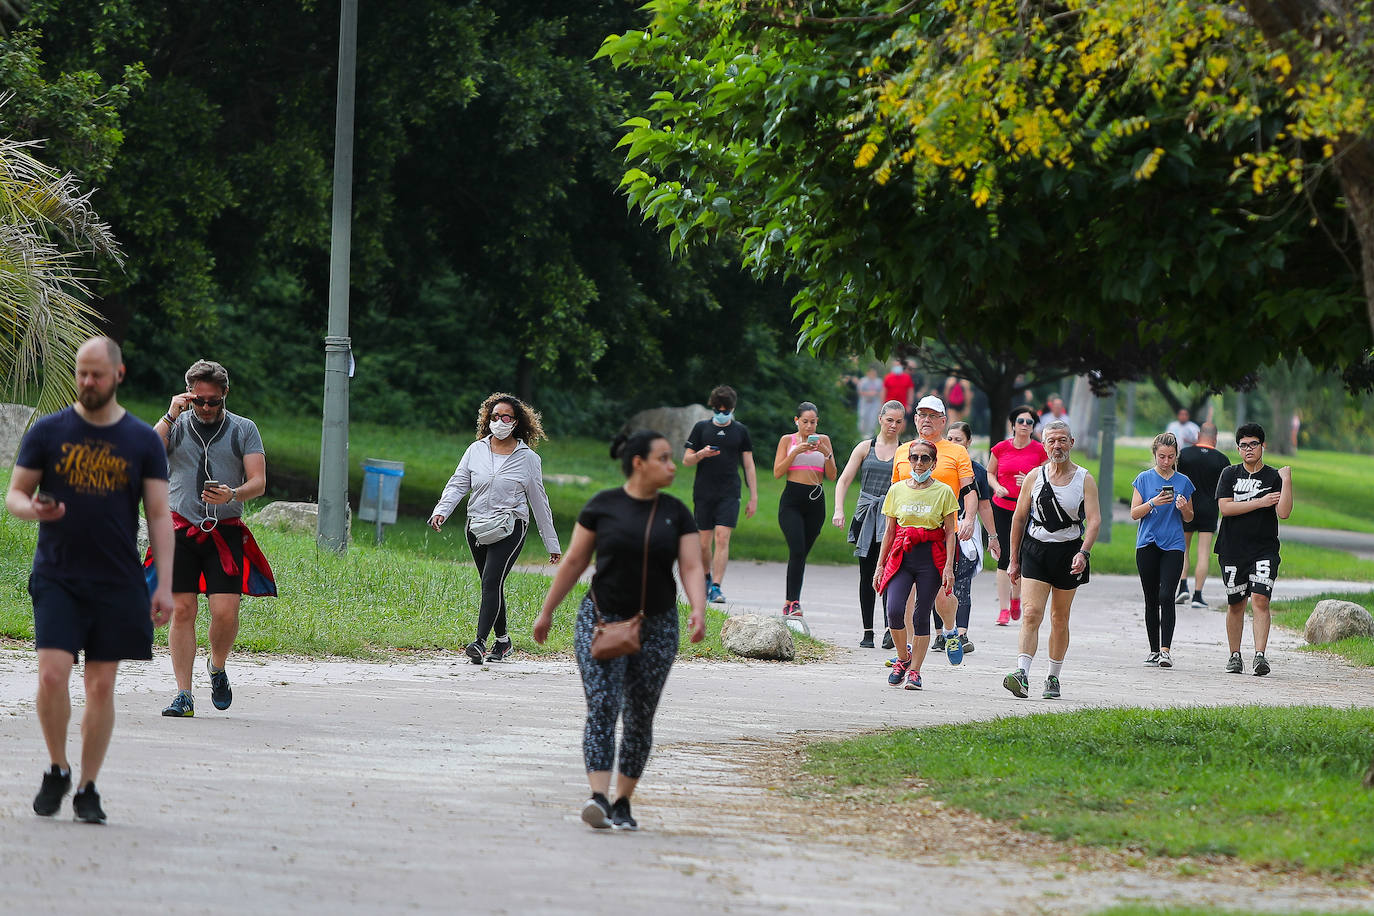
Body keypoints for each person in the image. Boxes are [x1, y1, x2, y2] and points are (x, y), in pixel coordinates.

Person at [7, 336, 175, 823]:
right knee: (52, 674)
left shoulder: (142, 440)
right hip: (58, 574)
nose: (87, 382)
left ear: (118, 375)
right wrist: (31, 508)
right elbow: (15, 494)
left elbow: (160, 515)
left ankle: (87, 787)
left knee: (101, 686)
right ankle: (57, 767)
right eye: (82, 372)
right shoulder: (48, 432)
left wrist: (163, 584)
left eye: (97, 374)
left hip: (117, 580)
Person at [533, 430, 706, 831]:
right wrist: (547, 612)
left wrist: (698, 608)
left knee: (640, 715)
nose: (672, 464)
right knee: (604, 706)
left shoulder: (677, 512)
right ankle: (598, 797)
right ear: (638, 463)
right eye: (664, 458)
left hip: (657, 626)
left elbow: (692, 566)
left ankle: (623, 801)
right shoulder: (602, 507)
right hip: (600, 621)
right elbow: (575, 561)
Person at [153, 359, 273, 718]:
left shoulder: (243, 429)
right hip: (179, 529)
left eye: (213, 401)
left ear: (225, 396)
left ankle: (217, 666)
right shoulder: (175, 424)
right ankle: (183, 694)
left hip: (225, 531)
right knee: (183, 610)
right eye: (199, 400)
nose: (206, 407)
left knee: (224, 612)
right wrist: (171, 414)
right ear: (188, 394)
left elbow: (259, 482)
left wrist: (233, 494)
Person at [430, 394, 562, 664]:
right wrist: (441, 510)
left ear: (516, 422)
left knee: (491, 581)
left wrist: (552, 543)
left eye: (506, 417)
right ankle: (502, 641)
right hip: (477, 524)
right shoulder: (475, 450)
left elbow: (539, 501)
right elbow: (458, 484)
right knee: (491, 584)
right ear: (487, 419)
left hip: (510, 525)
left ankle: (479, 642)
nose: (500, 422)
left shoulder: (528, 459)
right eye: (495, 416)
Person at [1002, 421, 1101, 700]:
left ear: (1071, 442)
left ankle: (1053, 676)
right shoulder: (1034, 477)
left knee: (1059, 618)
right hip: (1035, 550)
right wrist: (1014, 559)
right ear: (1044, 445)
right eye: (1051, 441)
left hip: (1069, 552)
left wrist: (1084, 552)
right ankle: (1021, 674)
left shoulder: (1085, 479)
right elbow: (1019, 518)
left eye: (1061, 440)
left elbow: (1093, 521)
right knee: (1032, 612)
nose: (1056, 446)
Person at [890, 395, 977, 664]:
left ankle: (950, 630)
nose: (926, 420)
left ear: (943, 420)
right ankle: (905, 655)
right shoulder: (903, 451)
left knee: (942, 594)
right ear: (915, 419)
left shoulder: (956, 452)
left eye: (932, 416)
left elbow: (969, 490)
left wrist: (970, 518)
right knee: (904, 598)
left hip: (941, 532)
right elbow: (895, 490)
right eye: (921, 415)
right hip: (907, 534)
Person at [875, 438, 959, 690]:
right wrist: (880, 565)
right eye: (915, 457)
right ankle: (903, 658)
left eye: (925, 458)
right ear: (908, 460)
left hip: (930, 556)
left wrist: (948, 568)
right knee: (894, 610)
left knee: (922, 614)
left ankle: (915, 672)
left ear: (933, 463)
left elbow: (949, 532)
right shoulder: (897, 490)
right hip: (902, 554)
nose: (919, 463)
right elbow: (889, 531)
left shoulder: (944, 491)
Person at [1216, 423, 1293, 677]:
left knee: (1261, 599)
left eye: (1253, 444)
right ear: (1238, 449)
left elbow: (1283, 512)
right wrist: (1260, 502)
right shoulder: (1229, 474)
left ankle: (1260, 656)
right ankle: (1234, 655)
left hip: (1264, 549)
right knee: (1236, 602)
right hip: (1232, 549)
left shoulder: (1273, 477)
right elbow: (1226, 508)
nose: (1248, 449)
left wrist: (1287, 480)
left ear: (1263, 446)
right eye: (1243, 445)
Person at [832, 400, 906, 648]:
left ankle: (889, 629)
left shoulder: (906, 451)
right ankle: (867, 631)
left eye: (898, 421)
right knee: (867, 574)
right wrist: (838, 510)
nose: (893, 425)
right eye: (889, 420)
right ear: (880, 419)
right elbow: (843, 481)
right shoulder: (865, 447)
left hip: (892, 517)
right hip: (866, 516)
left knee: (890, 572)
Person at [682, 385, 758, 604]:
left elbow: (749, 465)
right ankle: (705, 579)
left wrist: (753, 496)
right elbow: (686, 460)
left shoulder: (740, 431)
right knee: (703, 543)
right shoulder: (701, 428)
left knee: (722, 537)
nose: (722, 414)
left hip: (730, 492)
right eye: (718, 410)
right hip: (704, 492)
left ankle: (716, 586)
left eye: (726, 411)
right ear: (712, 408)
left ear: (733, 409)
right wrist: (701, 454)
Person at [1129, 433, 1195, 668]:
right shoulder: (1144, 479)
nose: (1166, 461)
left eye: (1170, 457)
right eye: (1161, 457)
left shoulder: (1184, 482)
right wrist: (1153, 502)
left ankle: (1166, 650)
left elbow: (1189, 518)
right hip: (1147, 543)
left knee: (1167, 595)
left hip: (1174, 545)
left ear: (1176, 455)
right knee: (1151, 598)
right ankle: (1153, 649)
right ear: (1154, 454)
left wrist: (1184, 507)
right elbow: (1134, 513)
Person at [772, 401, 837, 617]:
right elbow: (777, 472)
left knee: (800, 554)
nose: (809, 427)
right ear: (796, 421)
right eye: (805, 422)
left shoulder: (824, 440)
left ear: (817, 422)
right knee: (797, 550)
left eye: (813, 422)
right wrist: (795, 452)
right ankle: (792, 602)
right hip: (792, 501)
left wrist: (826, 453)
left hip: (816, 502)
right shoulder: (786, 440)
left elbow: (832, 475)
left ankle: (792, 600)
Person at [986, 405, 1047, 626]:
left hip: (1027, 510)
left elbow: (1047, 478)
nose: (1024, 425)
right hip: (1002, 507)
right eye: (1020, 421)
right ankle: (1003, 609)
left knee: (1020, 557)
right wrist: (997, 486)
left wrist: (1030, 483)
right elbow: (990, 473)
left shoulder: (1039, 450)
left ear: (1033, 427)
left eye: (1029, 422)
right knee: (1003, 558)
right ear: (1013, 425)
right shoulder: (1001, 448)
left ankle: (1016, 598)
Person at [944, 421, 1001, 655]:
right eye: (950, 439)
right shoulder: (937, 463)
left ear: (968, 442)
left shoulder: (977, 471)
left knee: (962, 583)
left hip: (966, 531)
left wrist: (993, 537)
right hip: (940, 528)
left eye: (958, 440)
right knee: (940, 584)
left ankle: (961, 634)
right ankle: (941, 634)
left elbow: (985, 507)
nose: (953, 443)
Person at [1175, 422, 1231, 608]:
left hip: (1186, 506)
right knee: (1203, 553)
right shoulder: (1222, 460)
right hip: (1209, 509)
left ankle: (1182, 586)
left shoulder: (1185, 455)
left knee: (1183, 549)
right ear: (1215, 438)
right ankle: (1198, 595)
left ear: (1199, 435)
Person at [855, 365, 885, 435]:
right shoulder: (863, 381)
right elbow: (859, 392)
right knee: (863, 418)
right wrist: (869, 393)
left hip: (874, 404)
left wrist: (881, 404)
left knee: (873, 420)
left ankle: (870, 435)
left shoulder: (879, 382)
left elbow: (882, 393)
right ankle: (861, 435)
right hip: (864, 403)